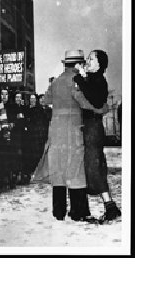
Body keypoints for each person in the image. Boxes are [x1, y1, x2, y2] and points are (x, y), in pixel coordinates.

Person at [33, 49, 93, 222]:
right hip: (74, 131)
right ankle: (78, 211)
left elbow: (45, 100)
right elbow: (85, 103)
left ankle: (59, 212)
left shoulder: (56, 81)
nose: (83, 66)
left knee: (58, 170)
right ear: (77, 65)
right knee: (76, 169)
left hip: (56, 132)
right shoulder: (79, 81)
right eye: (82, 63)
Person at [73, 50, 122, 221]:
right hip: (90, 127)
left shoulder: (99, 79)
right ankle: (110, 206)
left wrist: (80, 77)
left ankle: (110, 206)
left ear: (99, 63)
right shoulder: (94, 79)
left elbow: (95, 99)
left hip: (92, 128)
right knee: (94, 166)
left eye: (91, 58)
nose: (87, 60)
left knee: (94, 167)